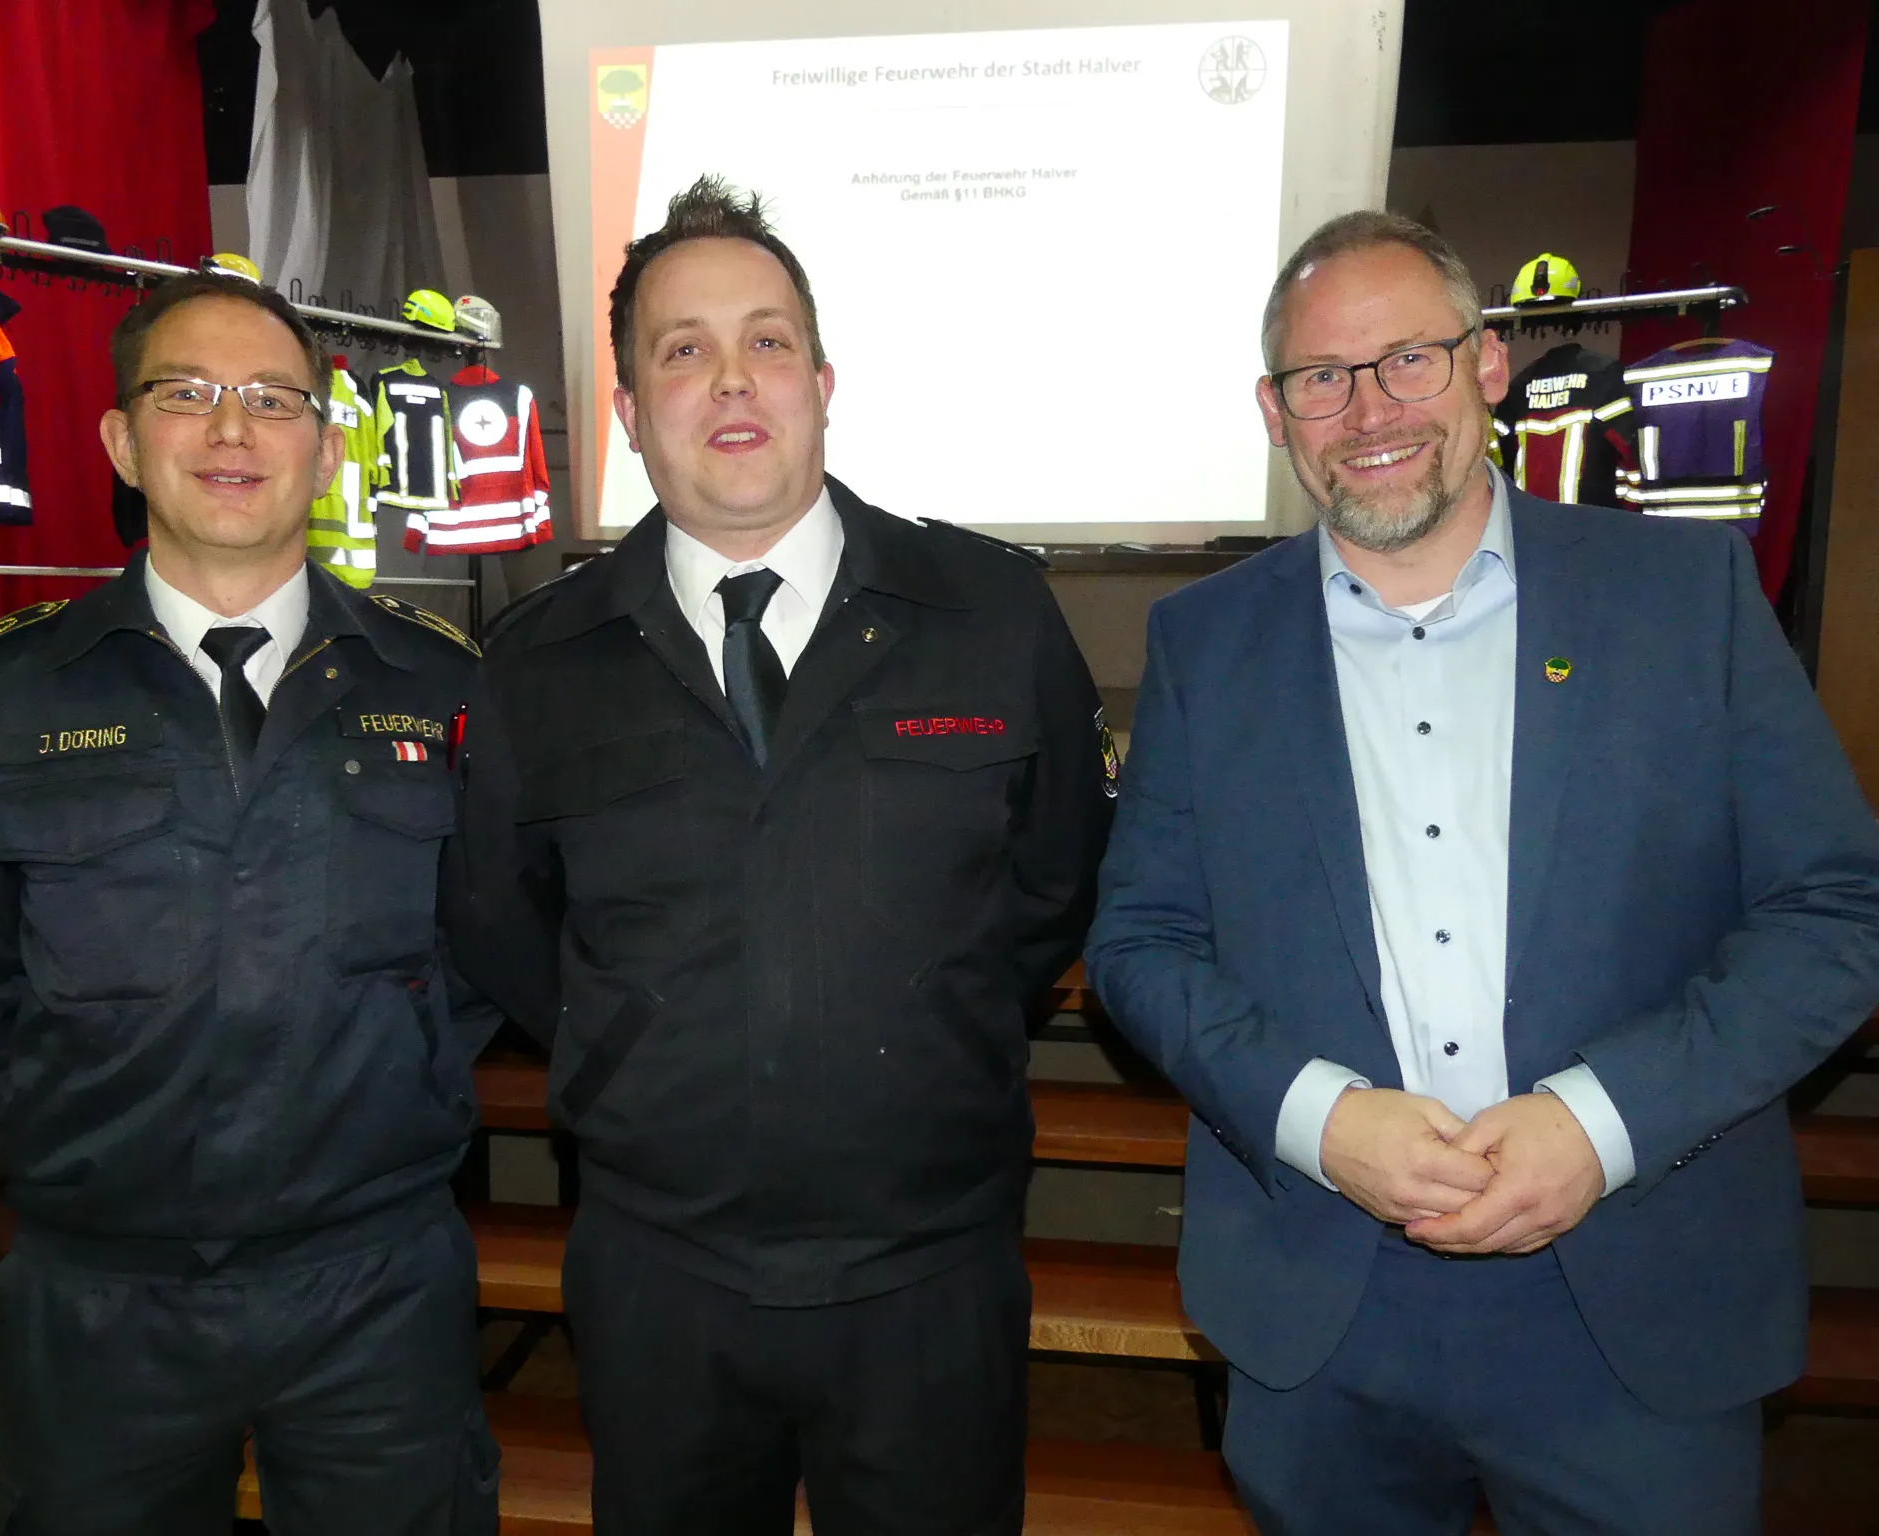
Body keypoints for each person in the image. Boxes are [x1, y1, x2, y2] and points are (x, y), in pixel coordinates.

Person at [1085, 211, 1879, 1535]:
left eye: (1408, 358)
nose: (1369, 411)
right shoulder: (1203, 645)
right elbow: (1140, 945)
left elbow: (1835, 913)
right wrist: (1323, 1121)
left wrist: (1598, 1123)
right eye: (1321, 378)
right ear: (1275, 414)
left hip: (1634, 1290)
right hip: (1323, 1302)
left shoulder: (1684, 597)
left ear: (1486, 365)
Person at [445, 175, 1113, 1535]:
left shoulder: (989, 614)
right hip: (661, 1274)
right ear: (630, 412)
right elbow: (505, 924)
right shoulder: (537, 665)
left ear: (821, 381)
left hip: (928, 1269)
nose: (731, 379)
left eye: (766, 340)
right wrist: (643, 1039)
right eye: (681, 350)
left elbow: (1054, 881)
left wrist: (918, 1018)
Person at [0, 272, 499, 1536]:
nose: (229, 429)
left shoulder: (437, 688)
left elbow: (489, 947)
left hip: (373, 1281)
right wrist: (75, 1109)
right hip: (99, 1287)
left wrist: (402, 1076)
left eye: (271, 399)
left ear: (324, 450)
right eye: (186, 394)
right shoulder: (2, 695)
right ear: (120, 440)